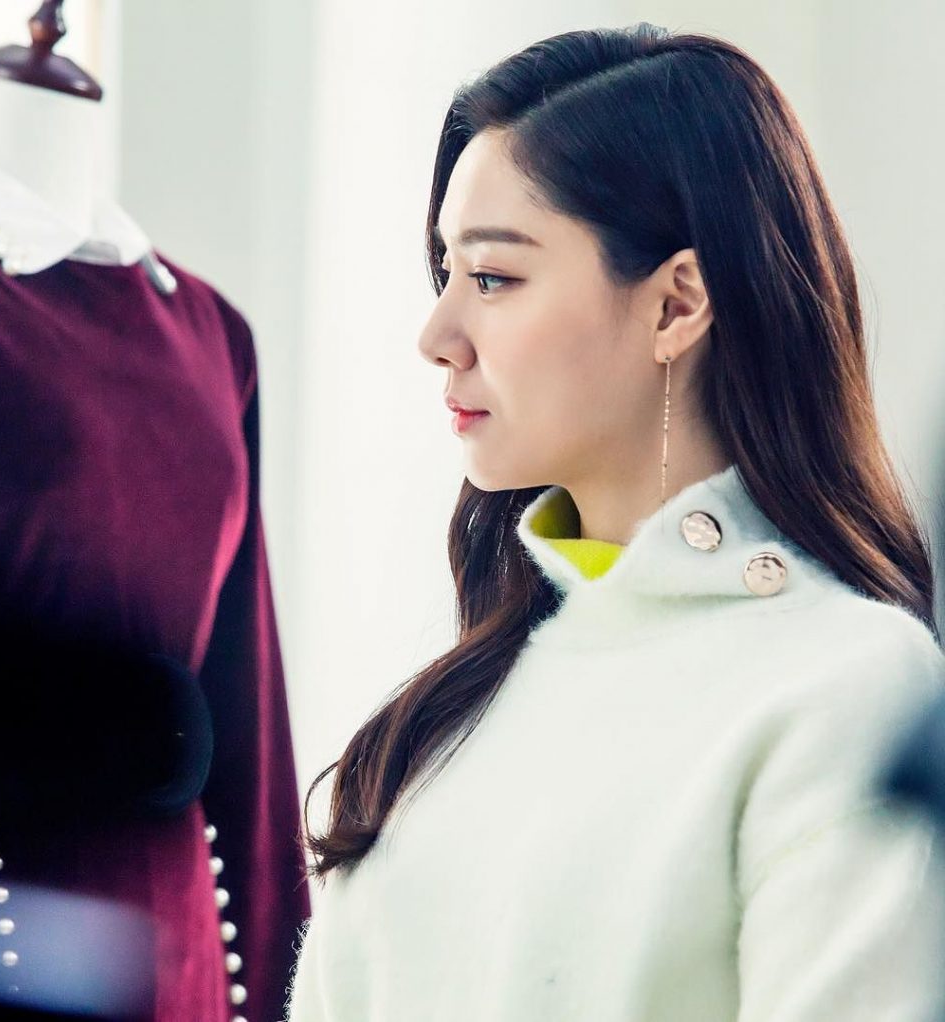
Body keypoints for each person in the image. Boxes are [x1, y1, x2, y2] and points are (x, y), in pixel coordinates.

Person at [282, 23, 945, 1022]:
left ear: (676, 304)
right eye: (444, 271)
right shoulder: (439, 722)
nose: (437, 334)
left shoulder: (845, 688)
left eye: (493, 278)